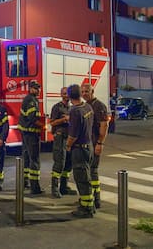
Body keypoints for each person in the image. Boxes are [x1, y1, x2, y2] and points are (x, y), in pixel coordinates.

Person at [65, 84, 95, 218]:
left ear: (70, 96)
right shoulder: (88, 106)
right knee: (87, 177)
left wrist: (68, 145)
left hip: (79, 149)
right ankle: (90, 203)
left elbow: (73, 135)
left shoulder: (75, 111)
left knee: (82, 179)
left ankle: (86, 209)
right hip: (89, 146)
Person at [81, 83, 109, 209]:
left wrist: (100, 143)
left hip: (94, 143)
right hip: (86, 145)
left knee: (93, 171)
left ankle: (96, 199)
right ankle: (90, 197)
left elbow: (104, 126)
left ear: (92, 91)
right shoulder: (85, 106)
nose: (84, 94)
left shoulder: (99, 106)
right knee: (87, 171)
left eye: (87, 91)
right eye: (82, 91)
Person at [17, 80, 44, 195]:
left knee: (27, 158)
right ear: (31, 89)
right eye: (36, 88)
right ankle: (35, 187)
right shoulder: (31, 100)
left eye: (39, 88)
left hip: (26, 133)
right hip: (31, 134)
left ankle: (24, 182)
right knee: (35, 160)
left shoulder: (29, 99)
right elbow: (33, 118)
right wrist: (44, 126)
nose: (38, 90)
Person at [49, 86, 77, 198]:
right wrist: (64, 119)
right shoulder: (57, 107)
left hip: (69, 138)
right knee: (59, 163)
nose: (66, 96)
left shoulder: (72, 108)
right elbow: (52, 123)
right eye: (64, 94)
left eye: (68, 94)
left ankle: (64, 187)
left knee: (68, 163)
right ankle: (54, 188)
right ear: (61, 95)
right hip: (60, 138)